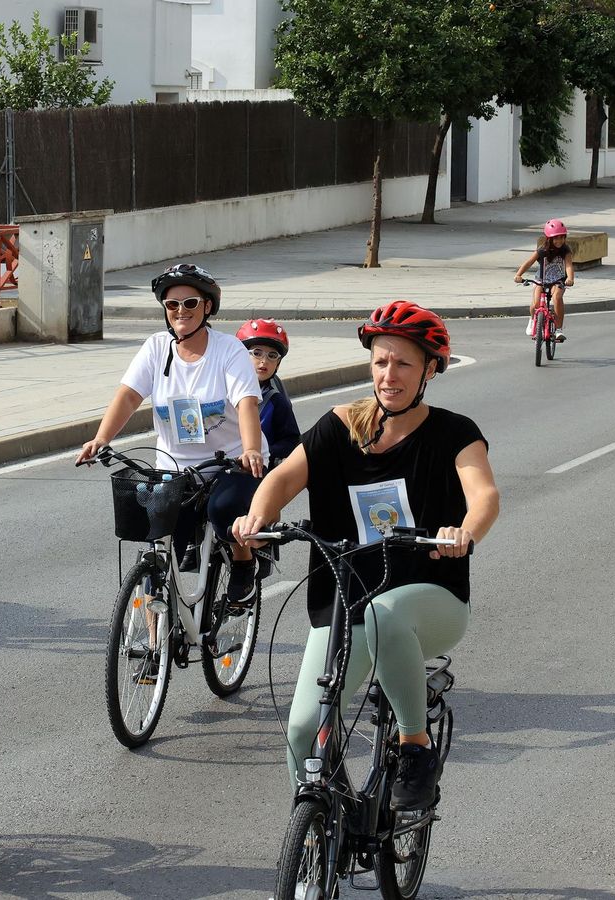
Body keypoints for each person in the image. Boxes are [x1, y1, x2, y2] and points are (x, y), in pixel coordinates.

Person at [232, 301, 499, 811]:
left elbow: (484, 494)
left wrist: (464, 531)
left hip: (430, 598)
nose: (389, 375)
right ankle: (319, 836)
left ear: (429, 370)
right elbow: (283, 478)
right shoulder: (343, 425)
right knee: (304, 727)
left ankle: (414, 746)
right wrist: (256, 517)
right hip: (345, 601)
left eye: (403, 363)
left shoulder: (454, 431)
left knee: (384, 614)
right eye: (380, 362)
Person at [76, 263, 266, 616]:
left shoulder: (229, 350)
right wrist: (100, 438)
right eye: (172, 305)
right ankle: (151, 654)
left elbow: (246, 403)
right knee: (156, 546)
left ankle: (243, 563)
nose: (181, 311)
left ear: (207, 307)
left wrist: (252, 448)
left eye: (190, 303)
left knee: (224, 510)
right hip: (174, 467)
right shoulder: (155, 348)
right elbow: (129, 395)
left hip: (229, 463)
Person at [236, 318, 300, 466]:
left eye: (272, 356)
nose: (264, 361)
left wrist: (266, 452)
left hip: (256, 474)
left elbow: (291, 440)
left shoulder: (276, 402)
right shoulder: (223, 392)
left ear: (278, 364)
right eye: (257, 353)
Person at [514, 219, 575, 340]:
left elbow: (569, 265)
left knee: (557, 297)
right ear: (549, 238)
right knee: (536, 304)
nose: (559, 241)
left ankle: (558, 329)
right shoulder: (542, 250)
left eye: (562, 237)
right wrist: (518, 275)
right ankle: (533, 319)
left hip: (558, 279)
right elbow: (529, 262)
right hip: (541, 279)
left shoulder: (565, 250)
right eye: (556, 238)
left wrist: (570, 278)